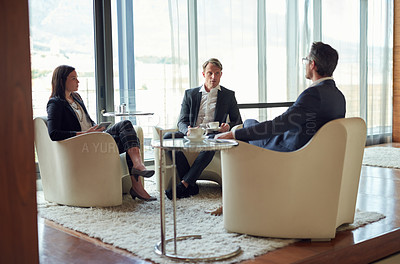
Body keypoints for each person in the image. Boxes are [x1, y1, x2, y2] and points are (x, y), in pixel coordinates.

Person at [212, 42, 346, 216]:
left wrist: (235, 134)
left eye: (306, 60)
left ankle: (235, 202)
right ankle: (240, 198)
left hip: (291, 152)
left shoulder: (313, 95)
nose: (305, 64)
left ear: (312, 64)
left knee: (242, 132)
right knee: (248, 124)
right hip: (313, 154)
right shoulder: (338, 96)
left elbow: (278, 125)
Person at [46, 65, 156, 202]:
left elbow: (86, 120)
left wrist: (95, 127)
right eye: (73, 78)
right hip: (83, 144)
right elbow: (54, 133)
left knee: (126, 125)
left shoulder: (76, 97)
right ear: (62, 80)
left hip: (93, 137)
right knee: (125, 138)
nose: (78, 81)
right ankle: (137, 183)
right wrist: (84, 133)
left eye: (77, 78)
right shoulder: (55, 103)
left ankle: (138, 165)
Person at [164, 58, 242, 200]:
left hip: (213, 135)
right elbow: (181, 121)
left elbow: (237, 120)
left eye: (217, 73)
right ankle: (191, 184)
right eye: (210, 73)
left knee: (211, 143)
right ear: (203, 74)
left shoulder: (228, 95)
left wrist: (228, 127)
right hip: (193, 135)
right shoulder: (190, 94)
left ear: (221, 75)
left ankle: (185, 184)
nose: (213, 77)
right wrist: (186, 130)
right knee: (168, 138)